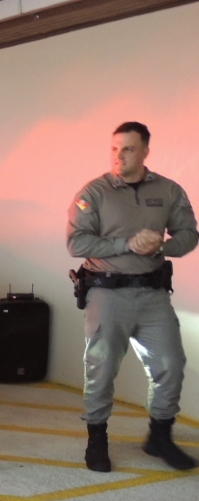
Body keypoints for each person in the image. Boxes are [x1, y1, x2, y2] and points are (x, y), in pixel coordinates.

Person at [67, 121, 197, 472]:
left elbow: (189, 234)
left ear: (145, 151)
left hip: (153, 294)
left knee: (170, 364)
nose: (118, 156)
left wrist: (162, 245)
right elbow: (76, 242)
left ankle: (159, 437)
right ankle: (97, 440)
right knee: (101, 368)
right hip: (107, 293)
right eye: (114, 148)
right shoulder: (94, 192)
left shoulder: (168, 190)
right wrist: (127, 244)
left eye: (127, 149)